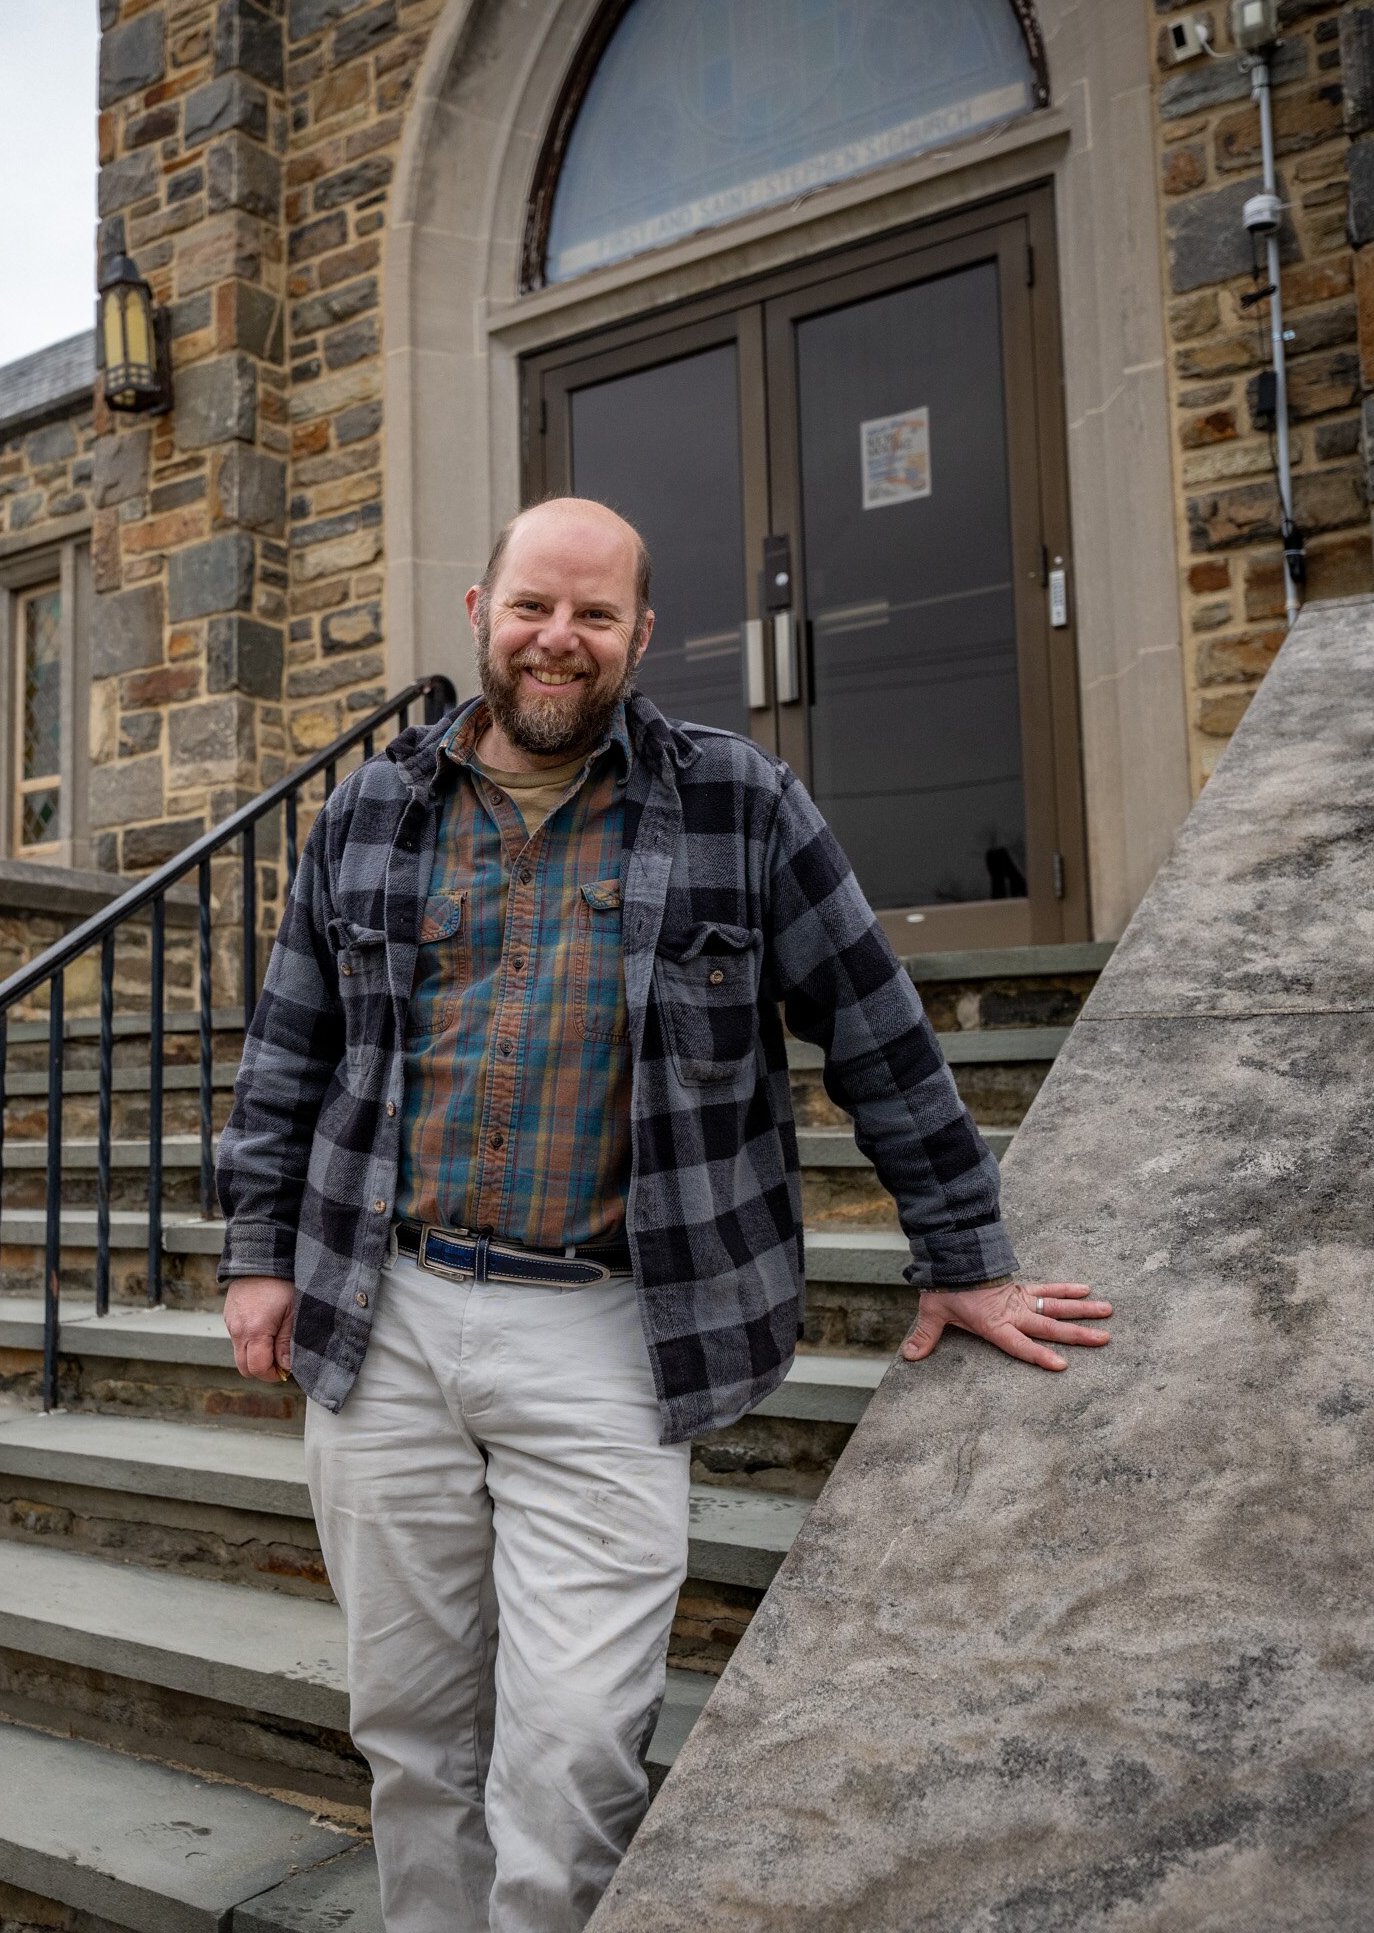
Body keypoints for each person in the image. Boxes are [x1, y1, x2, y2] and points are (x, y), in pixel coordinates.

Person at [215, 496, 1113, 1932]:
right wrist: (257, 1254)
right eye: (531, 608)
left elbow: (877, 1034)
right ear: (478, 613)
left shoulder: (737, 803)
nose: (555, 641)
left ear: (640, 634)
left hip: (608, 1334)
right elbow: (288, 1048)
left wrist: (966, 1258)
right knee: (410, 1734)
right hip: (380, 1321)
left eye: (591, 615)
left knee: (572, 1749)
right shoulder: (371, 810)